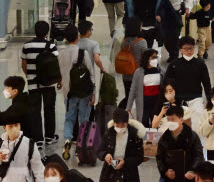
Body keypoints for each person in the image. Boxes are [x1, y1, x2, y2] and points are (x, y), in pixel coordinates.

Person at [58, 26, 96, 159]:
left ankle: (68, 140)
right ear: (77, 37)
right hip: (84, 92)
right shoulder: (82, 53)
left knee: (69, 118)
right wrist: (93, 93)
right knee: (83, 120)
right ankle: (80, 145)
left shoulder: (61, 54)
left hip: (68, 93)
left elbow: (61, 74)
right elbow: (90, 73)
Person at [20, 21, 59, 143]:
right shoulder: (51, 46)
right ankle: (49, 137)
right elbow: (56, 65)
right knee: (49, 109)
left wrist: (29, 76)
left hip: (33, 83)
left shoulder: (27, 46)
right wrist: (59, 79)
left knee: (35, 111)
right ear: (47, 33)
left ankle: (38, 139)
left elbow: (24, 64)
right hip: (49, 82)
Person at [0, 76, 43, 145]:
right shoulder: (26, 100)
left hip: (24, 143)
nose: (5, 90)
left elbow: (1, 119)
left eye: (7, 88)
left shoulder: (18, 106)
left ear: (15, 91)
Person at [156, 106, 204, 182]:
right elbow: (159, 158)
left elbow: (198, 156)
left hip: (188, 176)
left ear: (181, 120)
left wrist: (193, 170)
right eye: (168, 119)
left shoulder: (192, 136)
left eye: (173, 119)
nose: (170, 122)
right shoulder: (164, 138)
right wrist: (165, 171)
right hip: (170, 177)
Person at [0, 118, 45, 182]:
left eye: (16, 125)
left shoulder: (29, 144)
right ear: (4, 127)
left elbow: (38, 169)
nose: (14, 128)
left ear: (20, 125)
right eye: (10, 126)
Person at [162, 36, 213, 103]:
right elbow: (167, 82)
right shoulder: (174, 64)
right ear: (180, 50)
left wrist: (209, 100)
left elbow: (206, 83)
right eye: (186, 48)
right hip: (178, 100)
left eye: (191, 48)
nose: (189, 51)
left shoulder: (200, 64)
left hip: (196, 99)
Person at [98, 109, 144, 182]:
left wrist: (125, 162)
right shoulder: (109, 133)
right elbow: (99, 150)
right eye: (117, 125)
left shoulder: (135, 135)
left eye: (123, 125)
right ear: (114, 123)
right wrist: (105, 155)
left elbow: (139, 157)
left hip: (129, 173)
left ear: (127, 123)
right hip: (109, 171)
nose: (120, 128)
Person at [125, 50, 162, 126]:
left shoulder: (161, 71)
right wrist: (128, 107)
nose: (155, 59)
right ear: (147, 59)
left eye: (156, 57)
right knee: (143, 125)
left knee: (156, 124)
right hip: (143, 103)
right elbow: (133, 90)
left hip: (157, 103)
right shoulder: (139, 72)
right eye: (153, 57)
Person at [117, 18, 148, 96]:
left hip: (126, 75)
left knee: (128, 98)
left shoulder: (123, 42)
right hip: (139, 76)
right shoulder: (142, 42)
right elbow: (146, 58)